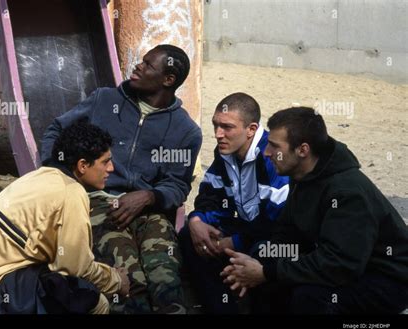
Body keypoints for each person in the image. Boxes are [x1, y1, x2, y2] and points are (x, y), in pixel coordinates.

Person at [41, 45, 202, 313]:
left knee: (164, 273)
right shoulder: (104, 100)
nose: (138, 67)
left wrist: (149, 196)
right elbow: (56, 129)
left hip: (150, 209)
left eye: (148, 65)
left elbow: (177, 185)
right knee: (128, 272)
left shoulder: (186, 131)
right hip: (97, 202)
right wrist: (56, 172)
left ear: (168, 80)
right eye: (141, 61)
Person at [221, 106, 408, 314]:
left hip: (384, 278)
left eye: (274, 147)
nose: (266, 152)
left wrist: (267, 272)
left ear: (302, 150)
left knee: (311, 297)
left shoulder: (347, 192)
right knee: (261, 260)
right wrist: (258, 261)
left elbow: (339, 264)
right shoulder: (301, 175)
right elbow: (288, 233)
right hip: (338, 261)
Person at [0, 122, 130, 314]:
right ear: (82, 165)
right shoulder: (71, 192)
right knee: (97, 303)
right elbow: (75, 267)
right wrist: (116, 280)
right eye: (105, 162)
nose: (111, 168)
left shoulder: (38, 176)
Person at [178, 93, 289, 313]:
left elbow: (278, 221)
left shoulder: (271, 156)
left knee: (263, 252)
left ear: (251, 129)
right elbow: (210, 195)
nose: (219, 134)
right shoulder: (225, 152)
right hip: (249, 228)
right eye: (215, 125)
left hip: (280, 236)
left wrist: (234, 242)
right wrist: (197, 220)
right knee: (192, 237)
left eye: (227, 127)